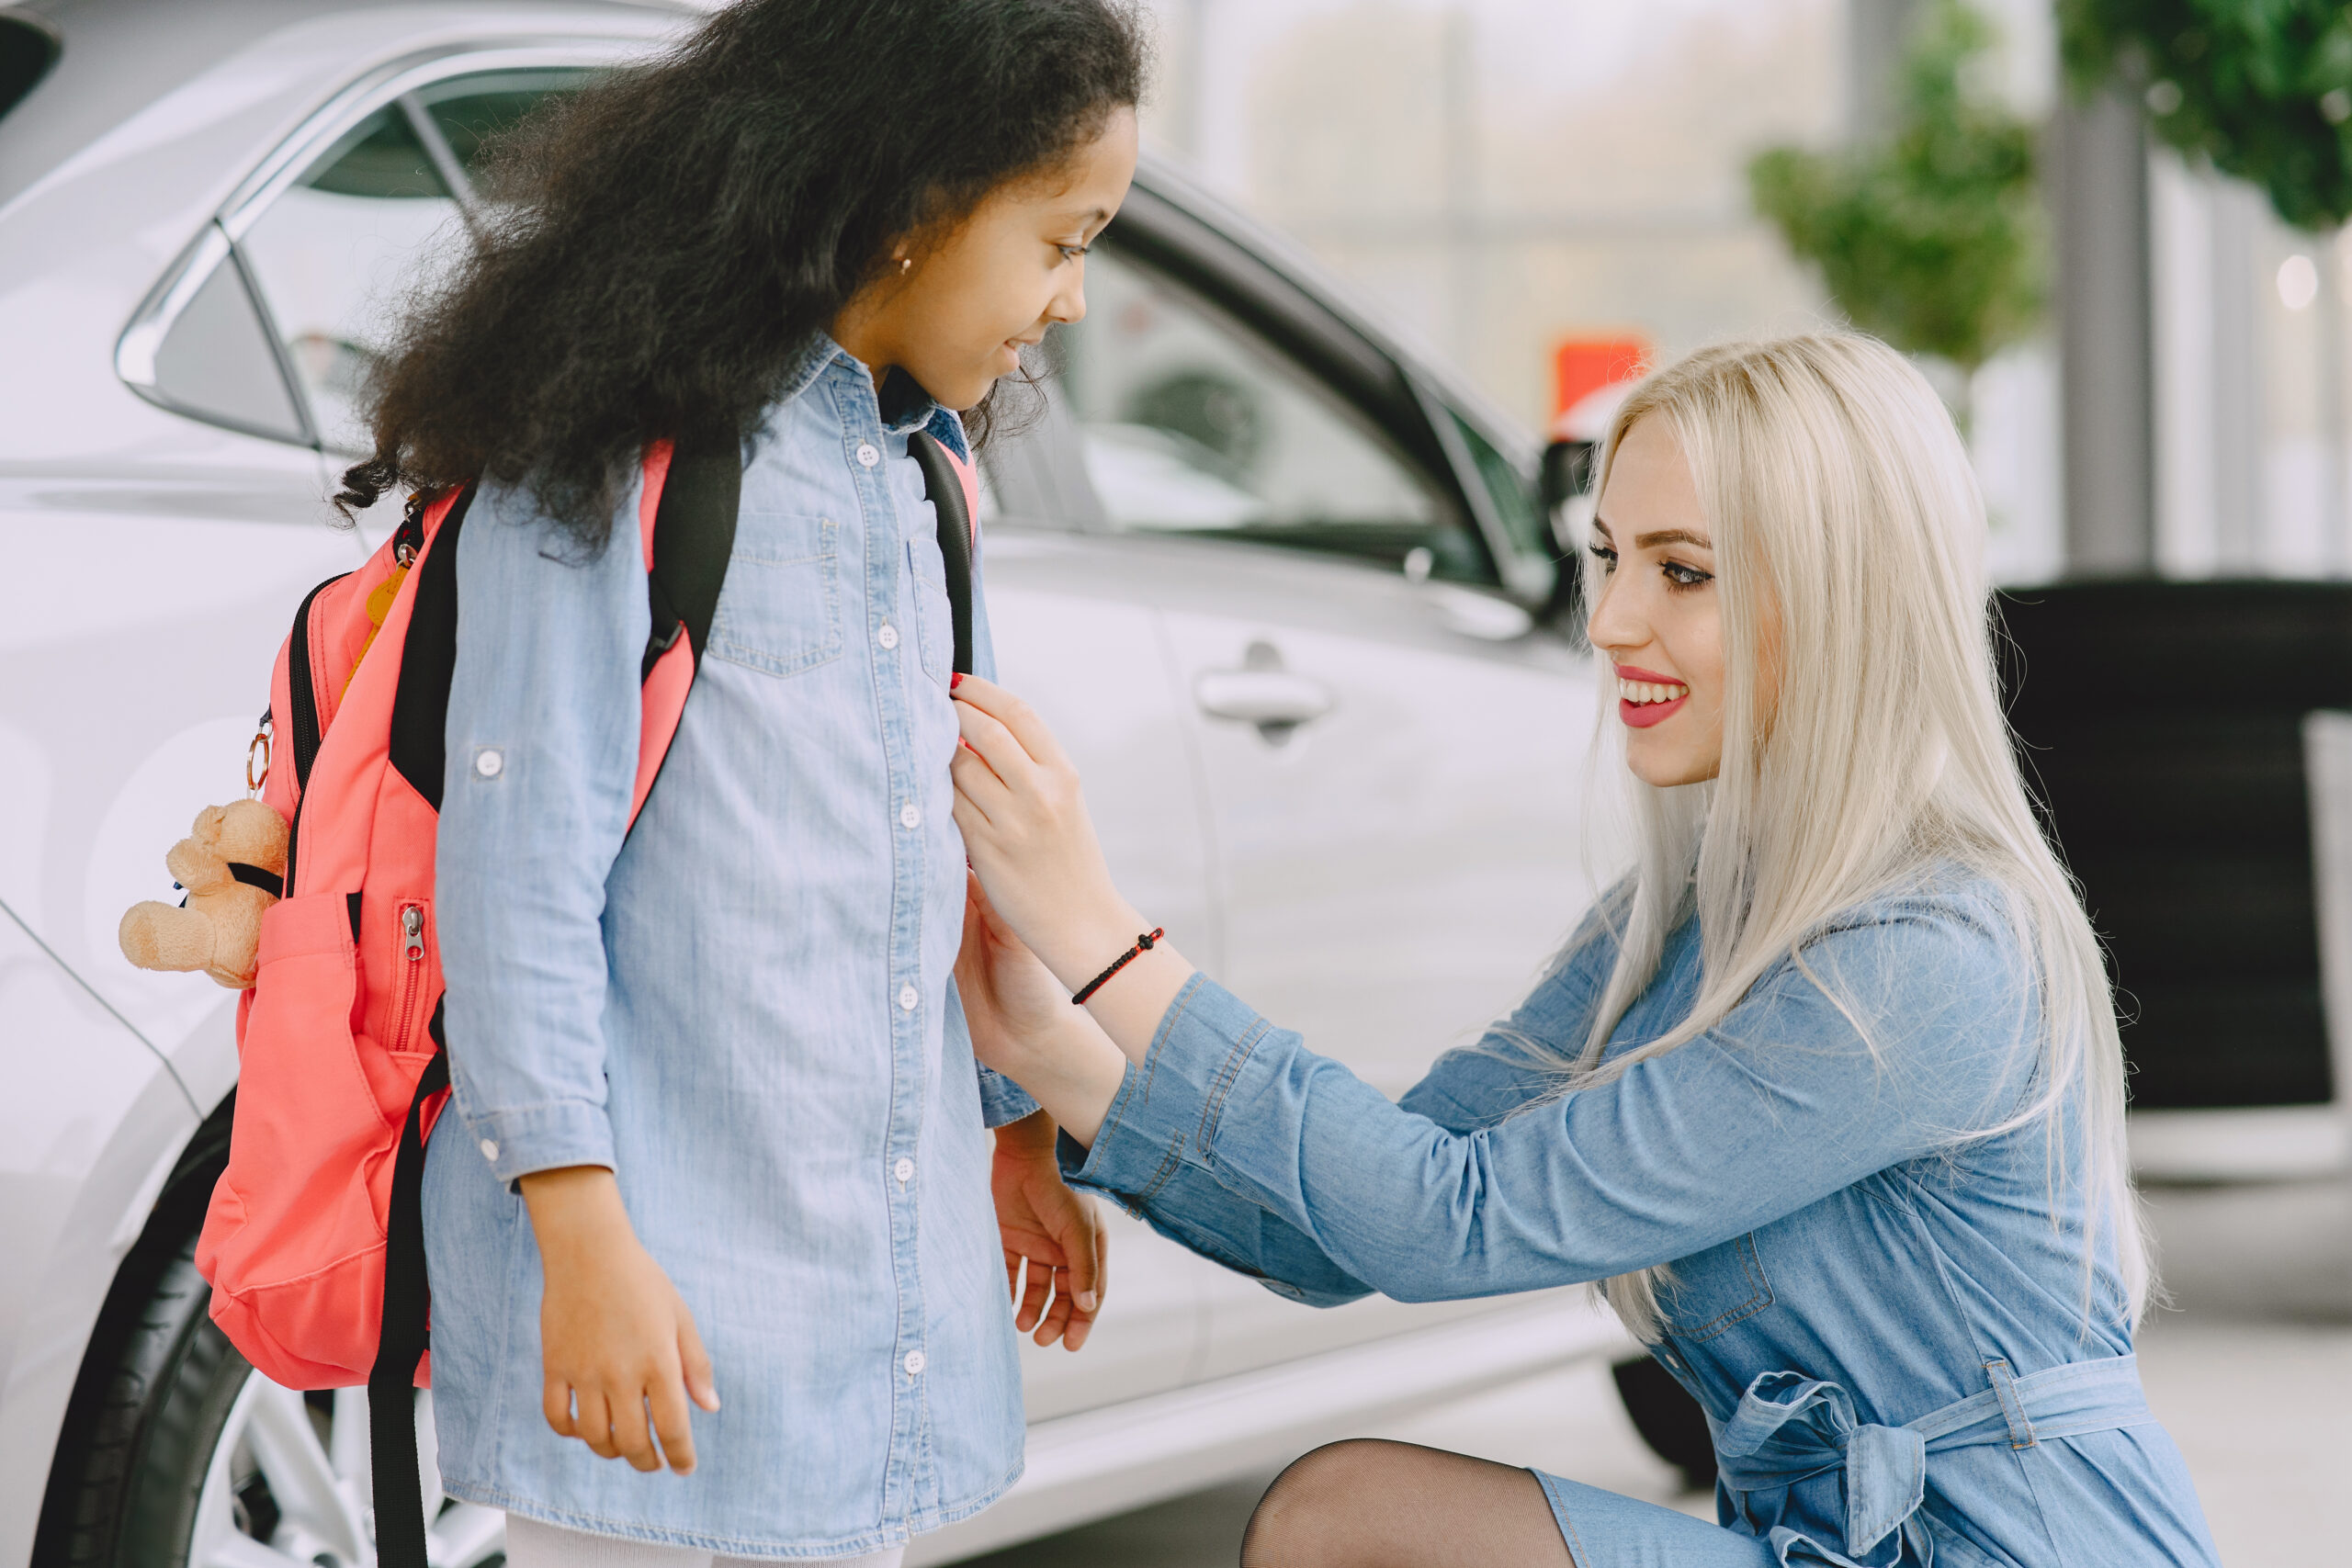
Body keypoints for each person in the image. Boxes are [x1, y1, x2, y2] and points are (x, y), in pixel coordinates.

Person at [943, 333, 2223, 1566]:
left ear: (1842, 601)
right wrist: (1042, 1051)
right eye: (1607, 556)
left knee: (1349, 1527)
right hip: (1816, 1549)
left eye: (1682, 571)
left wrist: (1102, 940)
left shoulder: (1922, 960)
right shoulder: (1677, 922)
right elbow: (1342, 1235)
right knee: (1348, 1518)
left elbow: (1445, 1225)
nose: (1608, 621)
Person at [332, 3, 1147, 1563]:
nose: (1074, 298)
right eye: (1060, 240)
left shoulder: (929, 478)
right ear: (916, 208)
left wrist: (1014, 1130)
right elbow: (515, 887)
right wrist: (580, 1239)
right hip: (662, 1323)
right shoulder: (622, 464)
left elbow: (931, 863)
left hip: (866, 1322)